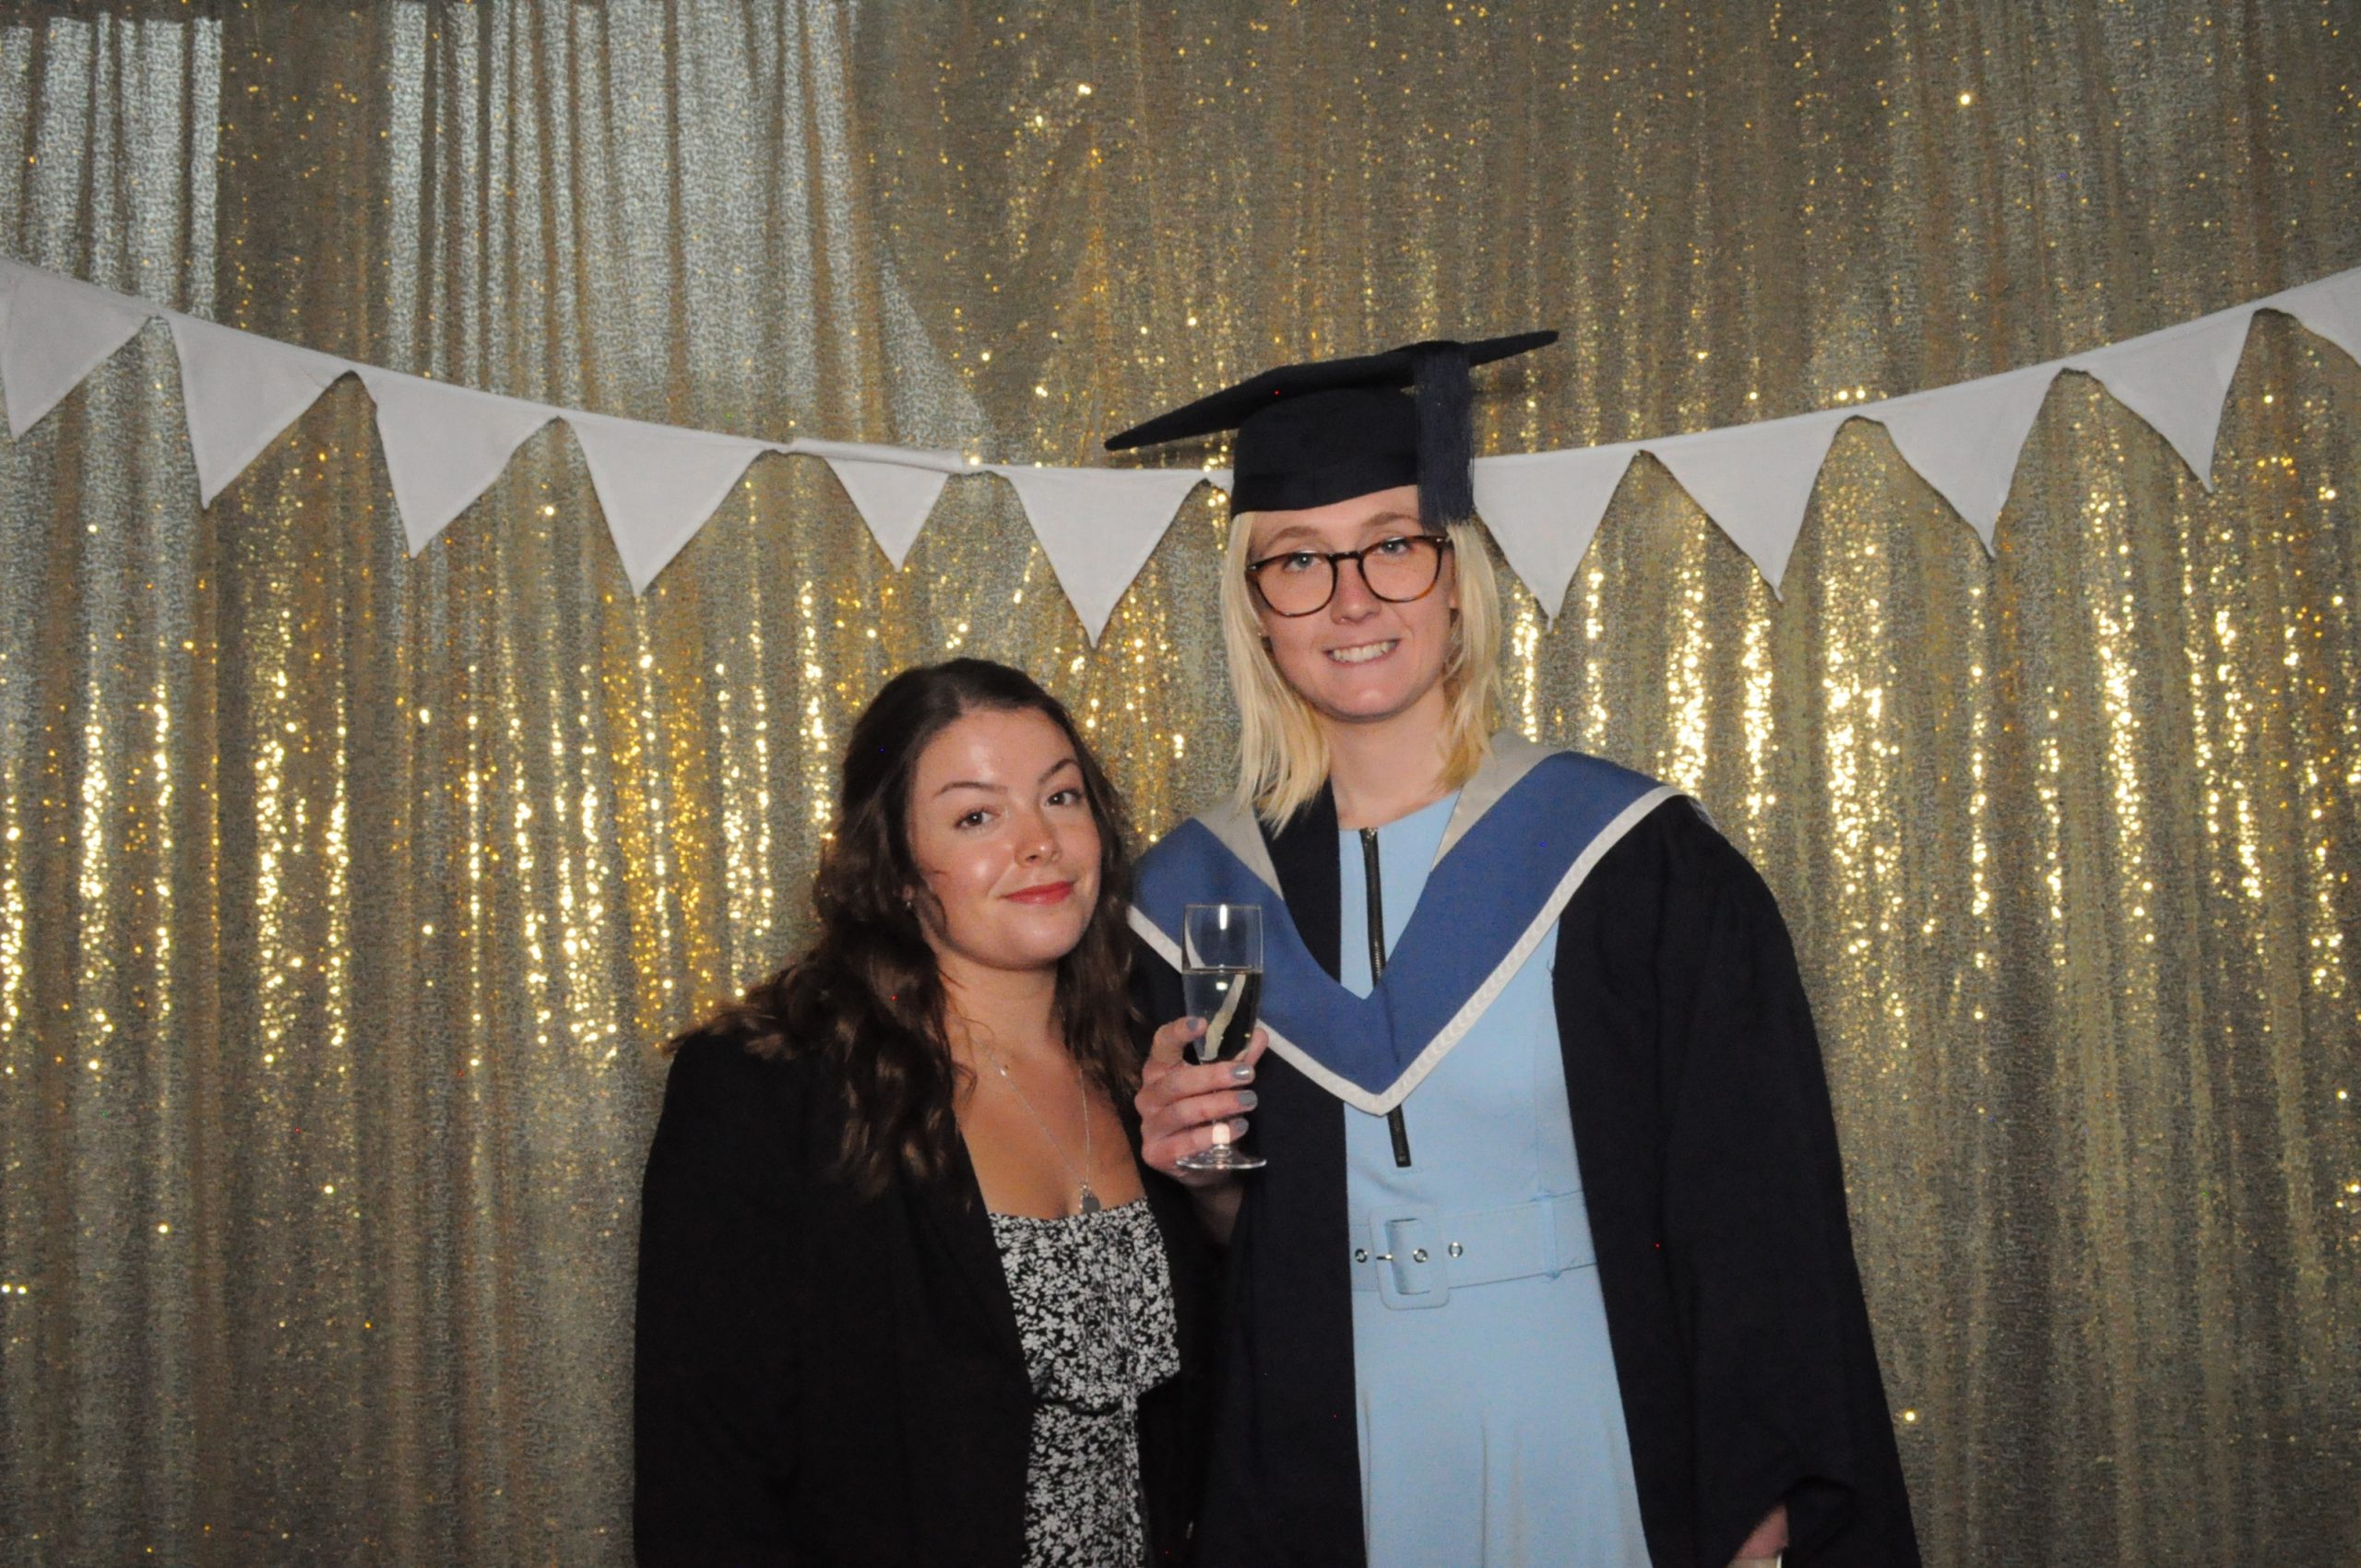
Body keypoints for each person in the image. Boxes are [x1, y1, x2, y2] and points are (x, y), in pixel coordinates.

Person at [1108, 338, 1921, 1567]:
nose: (1352, 598)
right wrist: (1201, 1182)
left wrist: (1762, 1488)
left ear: (1454, 574)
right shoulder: (1195, 899)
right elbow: (1224, 1263)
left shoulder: (1630, 862)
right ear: (1256, 611)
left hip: (1590, 1418)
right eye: (1298, 561)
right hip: (1324, 1440)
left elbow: (1758, 1210)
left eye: (1393, 543)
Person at [633, 659, 1209, 1568]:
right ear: (896, 867)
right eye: (977, 816)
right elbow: (704, 1481)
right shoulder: (766, 1087)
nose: (1040, 843)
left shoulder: (1149, 1054)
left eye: (1060, 797)